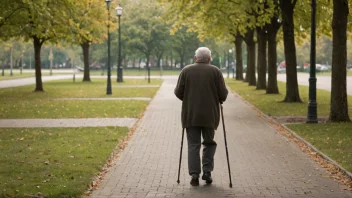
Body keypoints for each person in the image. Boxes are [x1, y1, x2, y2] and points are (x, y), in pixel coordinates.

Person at [174, 47, 228, 186]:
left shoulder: (186, 70)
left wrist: (188, 100)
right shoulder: (216, 71)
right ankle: (207, 172)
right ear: (209, 59)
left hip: (190, 114)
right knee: (209, 143)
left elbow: (178, 91)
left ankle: (194, 175)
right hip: (210, 115)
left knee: (193, 145)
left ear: (195, 58)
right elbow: (223, 94)